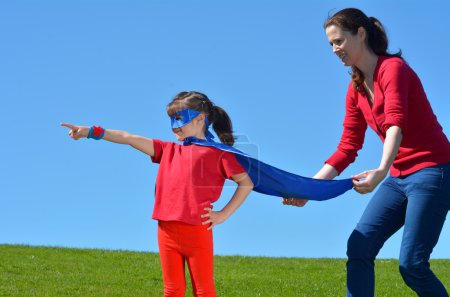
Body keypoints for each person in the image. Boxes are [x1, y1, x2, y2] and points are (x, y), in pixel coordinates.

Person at [284, 7, 450, 297]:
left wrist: (381, 170)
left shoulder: (392, 69)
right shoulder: (356, 87)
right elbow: (347, 147)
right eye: (331, 44)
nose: (335, 50)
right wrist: (309, 189)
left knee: (411, 265)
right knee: (359, 247)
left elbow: (396, 121)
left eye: (339, 41)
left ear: (360, 34)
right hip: (399, 177)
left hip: (433, 171)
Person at [61, 91, 254, 297]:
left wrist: (222, 215)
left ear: (200, 119)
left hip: (198, 231)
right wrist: (90, 131)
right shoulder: (168, 150)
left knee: (203, 291)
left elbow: (246, 184)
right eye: (172, 119)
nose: (174, 126)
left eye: (180, 118)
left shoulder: (219, 154)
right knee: (172, 290)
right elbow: (128, 138)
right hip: (166, 231)